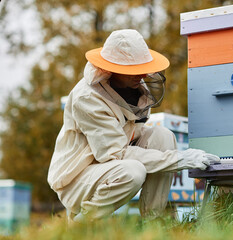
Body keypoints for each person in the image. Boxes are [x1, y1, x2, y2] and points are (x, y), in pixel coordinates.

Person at [47, 29, 220, 222]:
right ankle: (83, 224)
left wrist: (173, 154)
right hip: (77, 178)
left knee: (163, 136)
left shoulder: (133, 87)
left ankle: (155, 222)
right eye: (134, 70)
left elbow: (130, 133)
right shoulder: (87, 99)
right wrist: (180, 159)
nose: (142, 74)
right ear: (111, 68)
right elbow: (115, 153)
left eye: (142, 67)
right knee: (133, 172)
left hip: (109, 164)